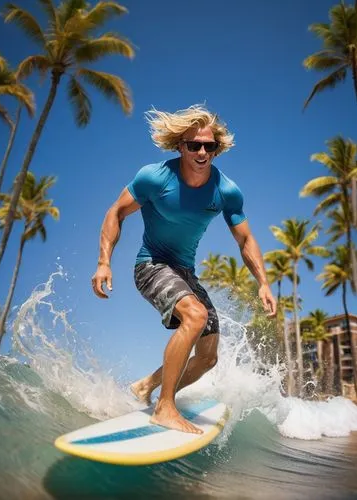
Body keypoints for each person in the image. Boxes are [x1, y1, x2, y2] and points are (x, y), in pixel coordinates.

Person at [91, 105, 276, 434]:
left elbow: (245, 238)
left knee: (208, 357)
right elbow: (116, 212)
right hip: (152, 264)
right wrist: (104, 261)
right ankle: (165, 407)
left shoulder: (226, 190)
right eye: (194, 145)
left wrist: (262, 282)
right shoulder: (155, 177)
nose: (202, 152)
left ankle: (146, 387)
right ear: (181, 146)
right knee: (195, 316)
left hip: (185, 272)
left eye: (209, 146)